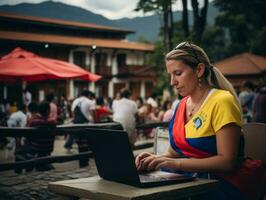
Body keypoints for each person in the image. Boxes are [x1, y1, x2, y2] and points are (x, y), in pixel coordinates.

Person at [135, 41, 263, 200]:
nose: (172, 82)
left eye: (178, 73)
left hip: (219, 183)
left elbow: (227, 162)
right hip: (188, 179)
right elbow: (175, 152)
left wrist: (174, 164)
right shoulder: (182, 105)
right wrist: (155, 158)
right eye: (170, 75)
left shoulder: (221, 101)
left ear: (199, 70)